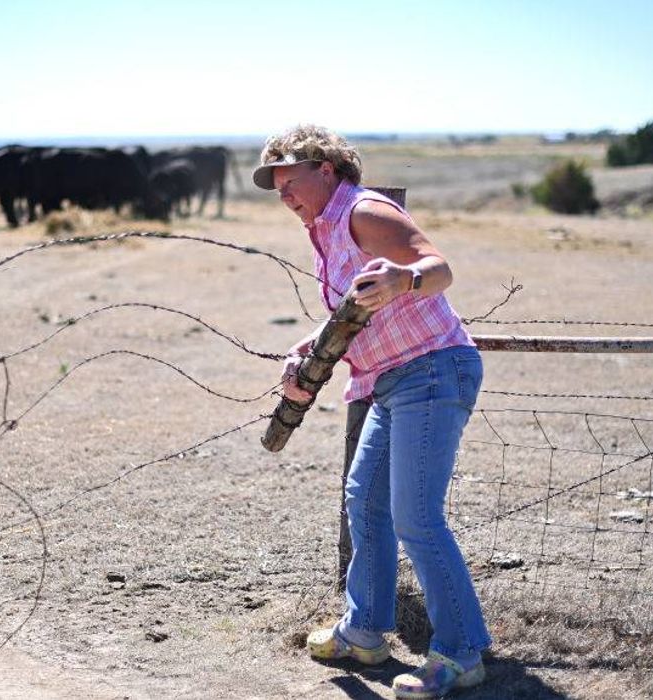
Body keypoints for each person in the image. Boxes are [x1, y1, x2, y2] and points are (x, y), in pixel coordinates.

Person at [254, 125, 490, 698]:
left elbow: (439, 268)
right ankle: (363, 632)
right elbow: (355, 309)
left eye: (291, 178)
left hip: (432, 369)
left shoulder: (363, 211)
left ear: (326, 170)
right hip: (390, 380)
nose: (284, 192)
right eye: (275, 185)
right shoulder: (325, 230)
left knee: (416, 518)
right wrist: (310, 344)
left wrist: (405, 277)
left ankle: (460, 654)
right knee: (366, 503)